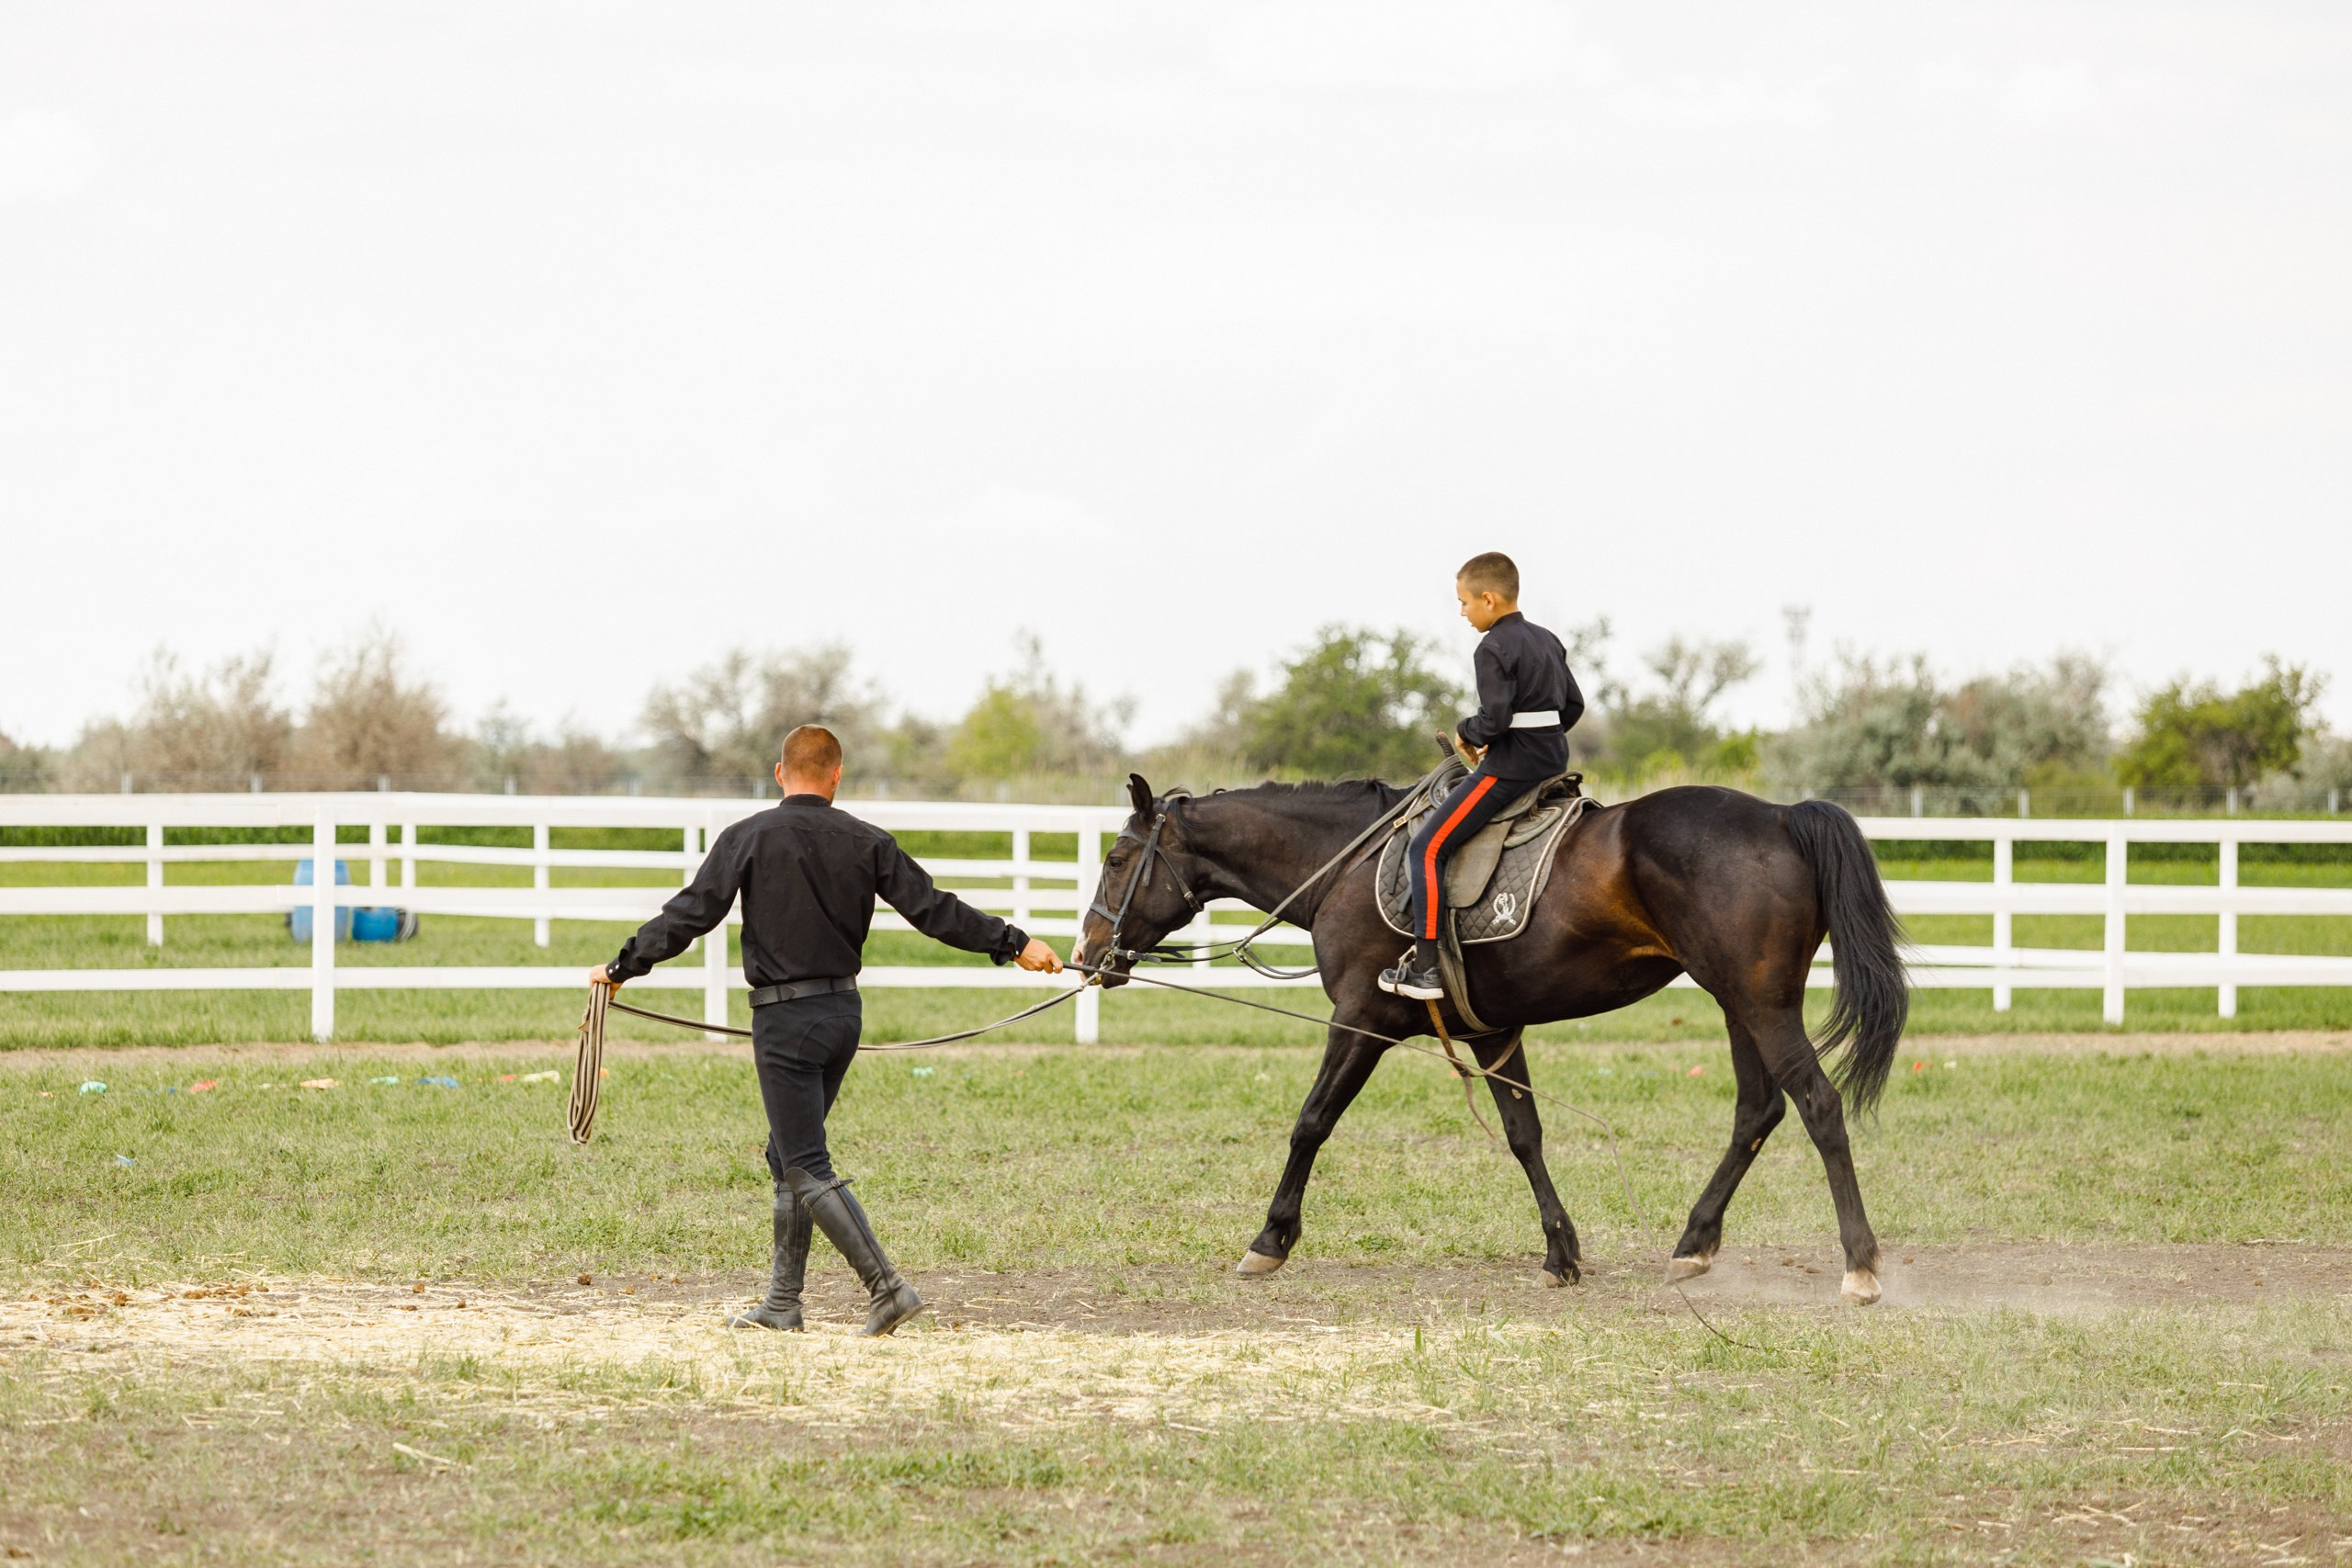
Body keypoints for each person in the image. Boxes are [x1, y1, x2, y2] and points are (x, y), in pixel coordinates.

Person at [590, 724, 1063, 1337]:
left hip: (786, 1020)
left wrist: (623, 967)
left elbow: (690, 914)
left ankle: (887, 1288)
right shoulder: (869, 841)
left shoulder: (748, 837)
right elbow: (935, 910)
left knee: (806, 1162)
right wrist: (1014, 942)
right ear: (838, 775)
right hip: (843, 1015)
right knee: (784, 1153)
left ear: (780, 772)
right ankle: (783, 1303)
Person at [1380, 551, 1583, 1001]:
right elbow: (1573, 707)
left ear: (1489, 599)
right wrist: (1537, 737)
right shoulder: (1547, 639)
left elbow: (1493, 720)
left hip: (1510, 771)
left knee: (1426, 846)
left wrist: (1466, 732)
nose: (1462, 612)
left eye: (1465, 602)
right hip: (1553, 762)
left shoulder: (1491, 647)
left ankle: (1427, 969)